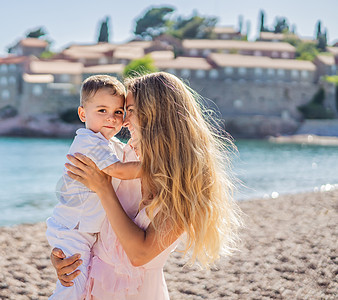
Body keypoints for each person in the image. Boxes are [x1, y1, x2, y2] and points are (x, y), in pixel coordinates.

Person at [52, 72, 241, 299]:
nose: (123, 120)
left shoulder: (185, 184)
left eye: (128, 111)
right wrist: (65, 254)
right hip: (93, 283)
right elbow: (80, 211)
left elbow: (139, 254)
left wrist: (104, 189)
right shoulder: (122, 155)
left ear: (155, 115)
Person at [46, 75, 141, 300]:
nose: (111, 118)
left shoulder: (108, 144)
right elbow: (118, 170)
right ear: (82, 114)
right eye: (102, 111)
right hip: (73, 228)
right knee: (72, 286)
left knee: (79, 284)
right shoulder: (90, 141)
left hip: (81, 228)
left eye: (118, 112)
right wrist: (159, 165)